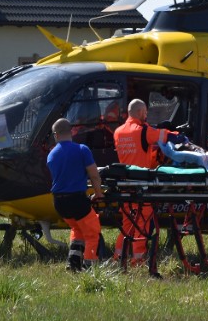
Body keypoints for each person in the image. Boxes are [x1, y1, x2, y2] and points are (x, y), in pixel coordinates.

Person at [112, 98, 169, 266]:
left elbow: (137, 154)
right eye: (145, 112)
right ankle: (138, 260)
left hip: (125, 185)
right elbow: (164, 136)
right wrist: (176, 135)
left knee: (127, 224)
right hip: (141, 186)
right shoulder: (143, 130)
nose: (147, 115)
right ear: (139, 112)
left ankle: (118, 258)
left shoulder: (118, 132)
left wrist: (153, 156)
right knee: (142, 224)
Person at [46, 118, 104, 272]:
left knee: (78, 229)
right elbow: (94, 175)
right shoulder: (82, 149)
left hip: (59, 203)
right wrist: (99, 194)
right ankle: (90, 268)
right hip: (77, 199)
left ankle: (73, 264)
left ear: (56, 135)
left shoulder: (51, 154)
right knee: (93, 232)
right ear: (71, 131)